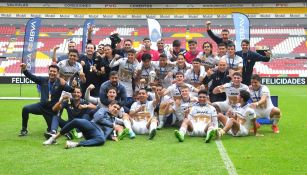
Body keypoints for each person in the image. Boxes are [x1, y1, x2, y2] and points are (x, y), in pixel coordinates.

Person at [19, 64, 74, 136]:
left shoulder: (60, 82)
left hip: (51, 110)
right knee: (25, 109)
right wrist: (25, 69)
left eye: (54, 71)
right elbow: (31, 77)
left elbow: (71, 90)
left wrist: (72, 85)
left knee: (53, 128)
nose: (52, 73)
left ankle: (71, 127)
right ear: (48, 71)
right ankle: (24, 130)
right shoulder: (43, 80)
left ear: (57, 73)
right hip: (41, 106)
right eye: (51, 71)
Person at [43, 101, 126, 148]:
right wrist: (111, 125)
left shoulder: (114, 120)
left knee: (102, 140)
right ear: (109, 106)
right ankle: (53, 138)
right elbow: (98, 118)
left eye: (118, 109)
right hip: (91, 126)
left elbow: (106, 132)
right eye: (114, 107)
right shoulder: (103, 110)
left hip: (97, 134)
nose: (116, 109)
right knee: (76, 121)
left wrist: (111, 137)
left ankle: (75, 144)